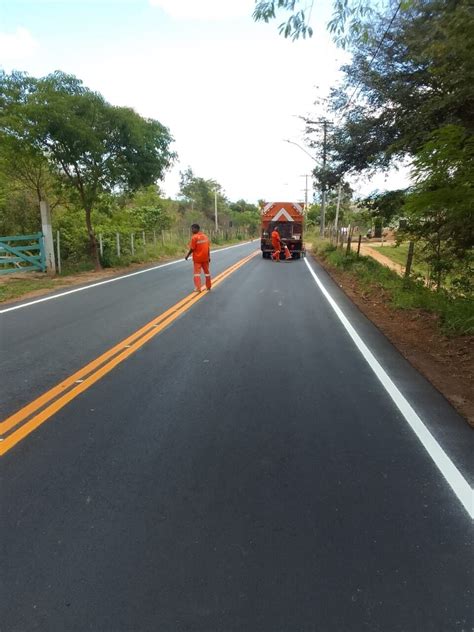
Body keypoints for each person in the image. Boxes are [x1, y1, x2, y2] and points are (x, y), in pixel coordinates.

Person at [185, 224, 211, 292]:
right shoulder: (205, 236)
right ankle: (208, 287)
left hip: (197, 259)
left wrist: (187, 255)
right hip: (205, 258)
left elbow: (192, 248)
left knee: (197, 274)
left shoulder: (194, 237)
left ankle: (198, 288)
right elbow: (208, 248)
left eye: (192, 229)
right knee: (207, 273)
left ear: (196, 229)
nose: (192, 230)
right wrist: (209, 257)